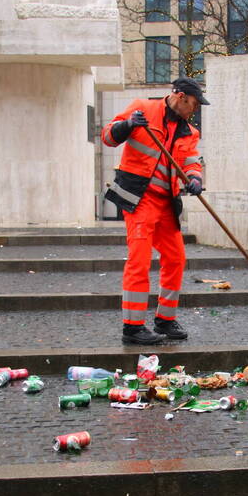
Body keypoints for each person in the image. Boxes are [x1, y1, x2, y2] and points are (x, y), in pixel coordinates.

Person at [102, 77, 207, 345]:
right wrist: (128, 125)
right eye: (194, 104)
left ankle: (165, 320)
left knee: (176, 258)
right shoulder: (142, 109)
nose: (194, 110)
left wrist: (195, 179)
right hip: (140, 200)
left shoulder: (189, 132)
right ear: (181, 97)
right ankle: (133, 327)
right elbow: (108, 136)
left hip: (166, 203)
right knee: (139, 260)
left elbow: (191, 162)